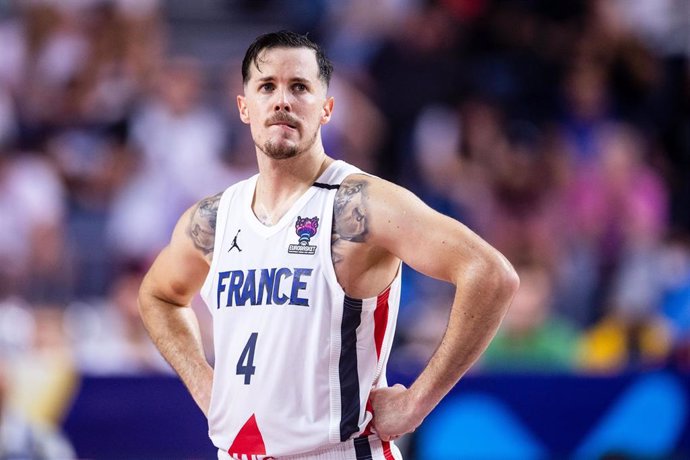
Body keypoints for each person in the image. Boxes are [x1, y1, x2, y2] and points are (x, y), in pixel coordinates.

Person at [138, 30, 519, 460]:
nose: (282, 100)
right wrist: (203, 383)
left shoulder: (360, 204)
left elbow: (490, 274)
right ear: (244, 107)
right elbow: (158, 295)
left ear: (327, 109)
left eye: (299, 87)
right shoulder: (212, 218)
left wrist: (416, 404)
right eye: (267, 87)